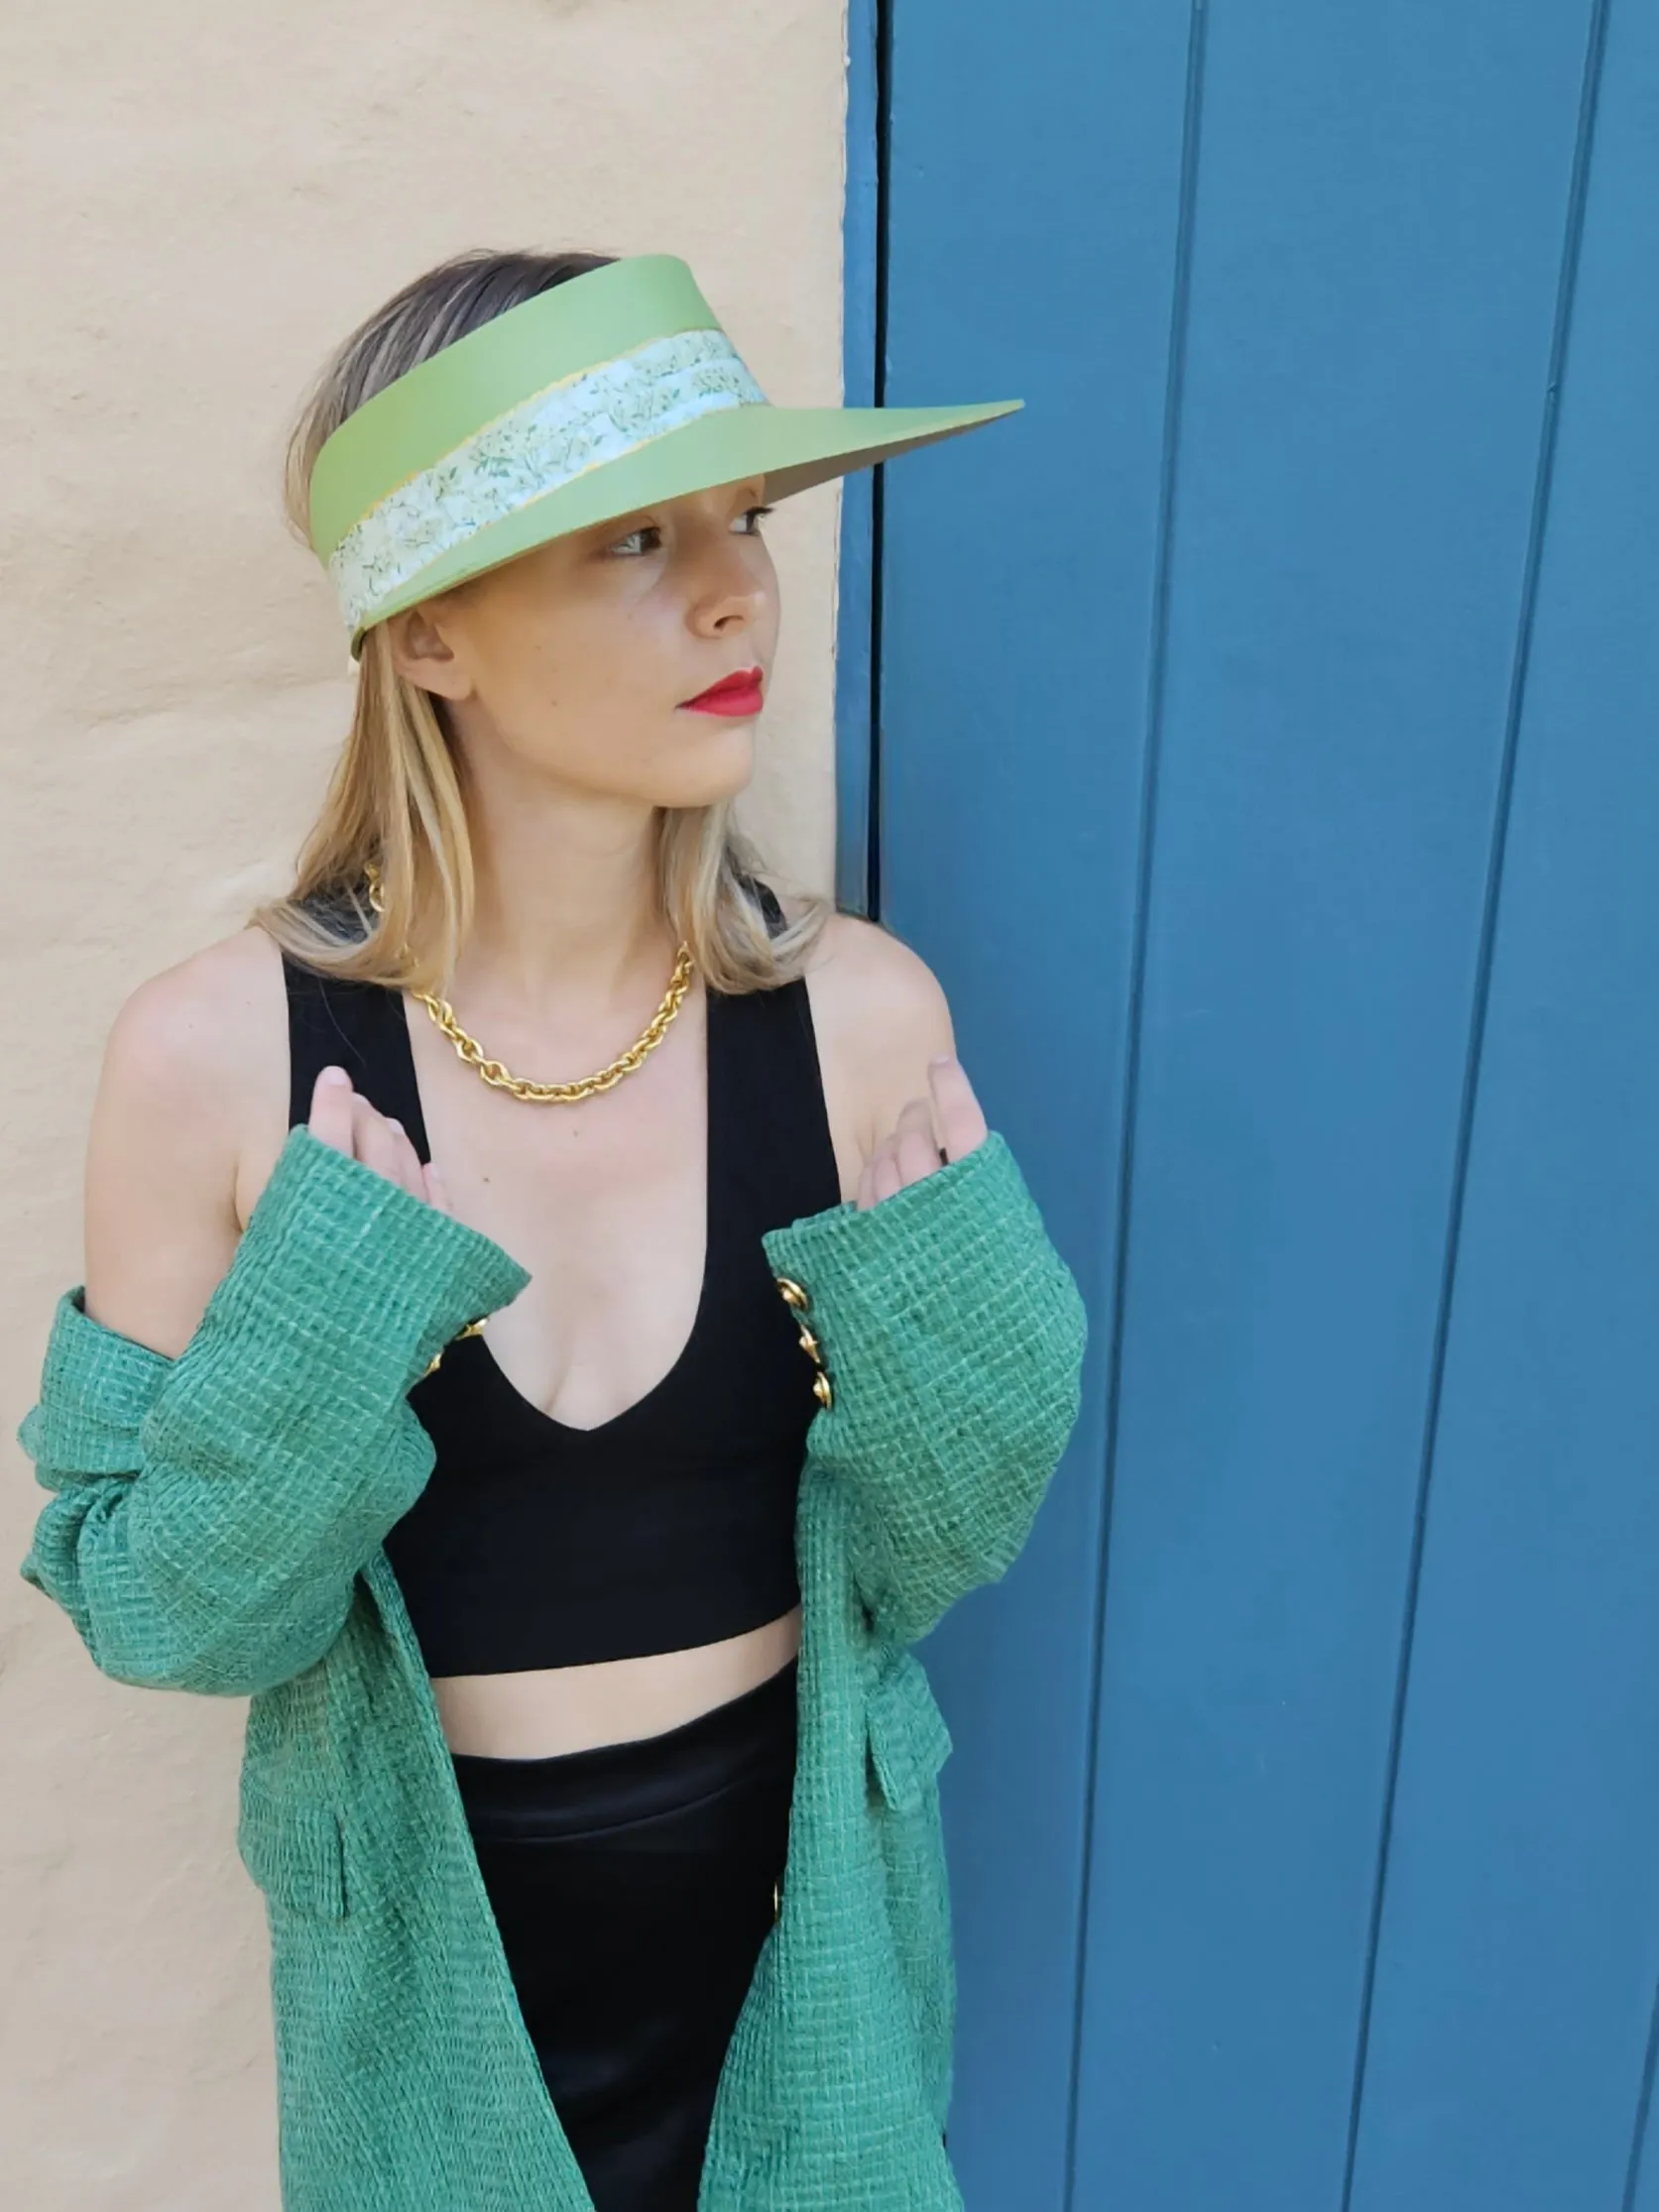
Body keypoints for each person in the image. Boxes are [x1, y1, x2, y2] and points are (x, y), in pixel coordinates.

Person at [18, 248, 1083, 2211]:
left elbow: (925, 1556)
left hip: (806, 1940)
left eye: (742, 518)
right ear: (428, 637)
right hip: (434, 1968)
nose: (729, 587)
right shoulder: (215, 1056)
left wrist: (981, 1360)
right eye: (626, 539)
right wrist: (336, 1315)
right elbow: (170, 1615)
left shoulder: (859, 1021)